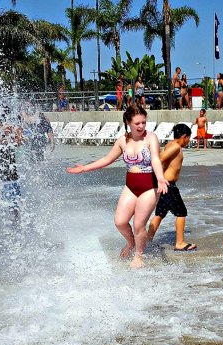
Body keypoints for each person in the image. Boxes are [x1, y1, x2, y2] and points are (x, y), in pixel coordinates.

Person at [66, 105, 169, 269]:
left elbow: (156, 159)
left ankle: (139, 255)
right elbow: (107, 159)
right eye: (137, 123)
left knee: (138, 225)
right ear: (129, 122)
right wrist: (85, 168)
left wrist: (161, 178)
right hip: (131, 186)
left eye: (144, 122)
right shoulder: (123, 141)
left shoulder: (151, 138)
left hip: (149, 186)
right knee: (120, 222)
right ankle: (131, 243)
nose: (142, 126)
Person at [147, 123, 196, 251]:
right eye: (188, 138)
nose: (188, 141)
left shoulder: (171, 144)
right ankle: (180, 243)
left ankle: (147, 241)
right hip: (168, 186)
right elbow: (160, 158)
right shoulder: (175, 146)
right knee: (181, 213)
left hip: (164, 185)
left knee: (160, 214)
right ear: (184, 136)